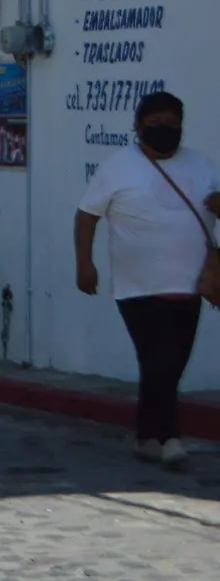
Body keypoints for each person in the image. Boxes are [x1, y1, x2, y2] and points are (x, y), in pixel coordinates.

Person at [74, 90, 220, 470]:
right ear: (139, 127)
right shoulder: (117, 167)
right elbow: (87, 215)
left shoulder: (201, 165)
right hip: (137, 286)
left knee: (171, 363)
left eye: (173, 124)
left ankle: (146, 435)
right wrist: (84, 264)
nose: (165, 130)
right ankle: (169, 438)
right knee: (159, 360)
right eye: (156, 124)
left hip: (189, 285)